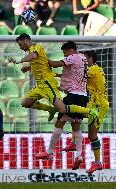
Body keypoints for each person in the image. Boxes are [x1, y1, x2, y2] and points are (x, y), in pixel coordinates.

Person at [8, 33, 99, 124]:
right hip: (40, 86)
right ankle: (51, 110)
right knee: (25, 103)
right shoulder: (32, 53)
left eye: (20, 44)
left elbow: (34, 56)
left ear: (25, 41)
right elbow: (40, 64)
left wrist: (19, 61)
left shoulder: (37, 47)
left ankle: (90, 111)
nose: (20, 47)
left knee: (62, 109)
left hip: (48, 84)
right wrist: (28, 68)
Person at [34, 41, 89, 170]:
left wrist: (41, 59)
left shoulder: (74, 57)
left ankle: (49, 152)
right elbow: (72, 74)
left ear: (70, 50)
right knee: (76, 127)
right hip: (83, 96)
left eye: (65, 53)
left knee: (59, 123)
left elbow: (55, 64)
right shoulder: (83, 59)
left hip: (73, 96)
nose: (64, 55)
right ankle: (79, 156)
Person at [62, 51, 109, 173]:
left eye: (85, 58)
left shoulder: (93, 69)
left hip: (99, 105)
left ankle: (97, 163)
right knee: (75, 114)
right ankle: (73, 143)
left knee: (92, 136)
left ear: (91, 59)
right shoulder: (95, 69)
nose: (83, 61)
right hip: (93, 104)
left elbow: (76, 74)